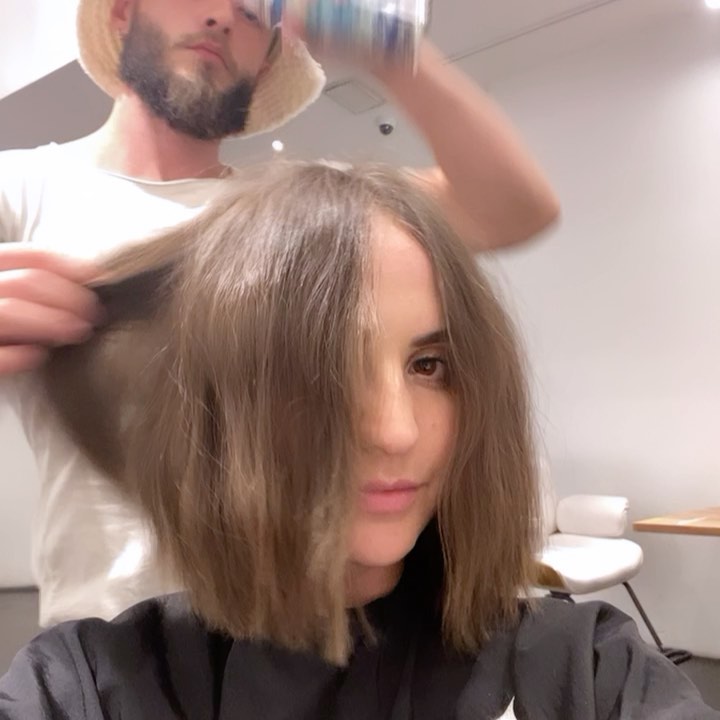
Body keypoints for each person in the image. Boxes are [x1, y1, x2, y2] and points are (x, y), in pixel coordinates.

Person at [0, 161, 714, 719]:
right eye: (325, 368)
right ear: (225, 404)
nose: (396, 430)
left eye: (429, 365)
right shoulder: (91, 687)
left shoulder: (586, 669)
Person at [0, 0, 559, 628]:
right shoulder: (22, 188)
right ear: (124, 13)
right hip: (108, 638)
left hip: (295, 637)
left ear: (267, 62)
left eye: (250, 12)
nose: (221, 18)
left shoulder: (296, 217)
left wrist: (388, 48)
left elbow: (513, 207)